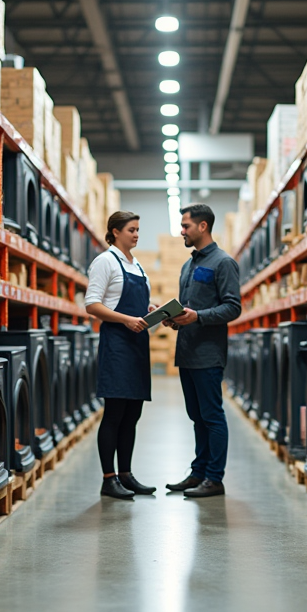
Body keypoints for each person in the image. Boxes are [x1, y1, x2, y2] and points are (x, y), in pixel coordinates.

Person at [164, 204, 242, 498]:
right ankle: (198, 472)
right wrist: (175, 319)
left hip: (208, 354)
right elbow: (189, 309)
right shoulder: (189, 265)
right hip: (187, 352)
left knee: (211, 416)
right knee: (196, 416)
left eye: (185, 226)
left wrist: (197, 316)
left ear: (203, 227)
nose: (182, 231)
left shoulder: (223, 263)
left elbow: (232, 307)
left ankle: (214, 478)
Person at [85, 211, 157, 500]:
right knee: (114, 414)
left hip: (138, 344)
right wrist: (126, 319)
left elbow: (131, 300)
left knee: (133, 415)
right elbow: (92, 304)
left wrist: (150, 309)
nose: (136, 235)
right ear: (115, 232)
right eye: (131, 230)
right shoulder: (105, 262)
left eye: (138, 229)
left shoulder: (137, 265)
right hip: (117, 343)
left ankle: (126, 474)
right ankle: (108, 478)